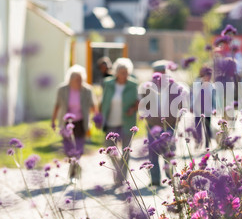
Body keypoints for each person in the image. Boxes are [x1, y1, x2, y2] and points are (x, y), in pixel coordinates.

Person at [141, 60, 187, 186]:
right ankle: (155, 180)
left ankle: (170, 176)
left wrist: (176, 121)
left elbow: (181, 106)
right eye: (158, 73)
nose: (160, 76)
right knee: (153, 152)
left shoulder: (175, 87)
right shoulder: (148, 87)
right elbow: (144, 105)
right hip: (153, 125)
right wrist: (148, 118)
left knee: (169, 151)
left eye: (163, 72)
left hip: (170, 125)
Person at [51, 64, 98, 183]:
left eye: (81, 79)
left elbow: (93, 106)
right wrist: (53, 120)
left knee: (78, 149)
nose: (79, 82)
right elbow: (57, 105)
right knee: (68, 150)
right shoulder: (62, 89)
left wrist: (97, 118)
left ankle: (73, 174)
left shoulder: (87, 90)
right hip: (66, 122)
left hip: (81, 123)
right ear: (70, 79)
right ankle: (75, 167)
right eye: (77, 79)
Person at [100, 57, 139, 187]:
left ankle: (122, 179)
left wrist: (133, 109)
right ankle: (118, 170)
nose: (124, 74)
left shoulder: (133, 85)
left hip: (127, 122)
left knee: (126, 151)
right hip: (111, 122)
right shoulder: (108, 83)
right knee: (110, 150)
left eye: (126, 72)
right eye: (122, 72)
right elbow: (104, 100)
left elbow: (138, 101)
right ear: (116, 72)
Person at [191, 65, 214, 148]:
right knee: (197, 126)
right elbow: (193, 96)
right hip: (198, 108)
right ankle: (199, 141)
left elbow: (213, 98)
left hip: (207, 109)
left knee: (207, 126)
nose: (208, 77)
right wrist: (191, 105)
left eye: (209, 75)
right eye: (206, 75)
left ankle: (207, 144)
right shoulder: (197, 83)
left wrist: (214, 108)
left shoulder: (211, 85)